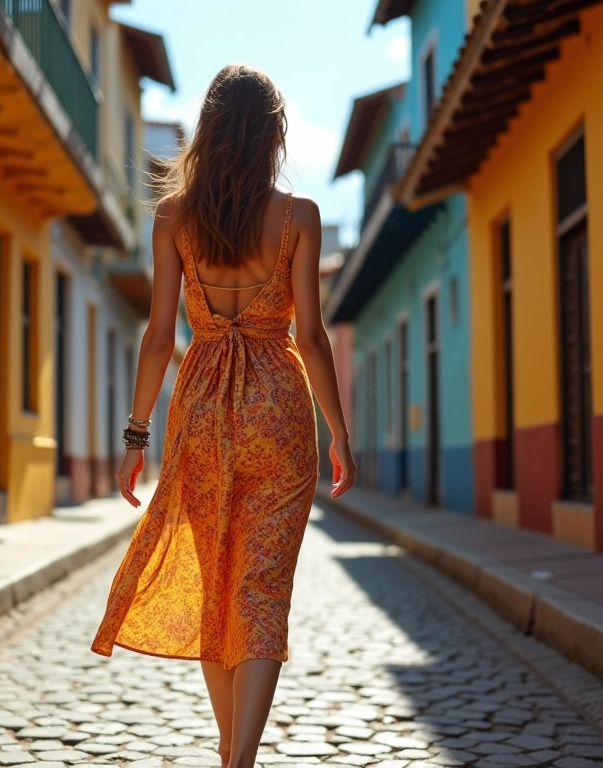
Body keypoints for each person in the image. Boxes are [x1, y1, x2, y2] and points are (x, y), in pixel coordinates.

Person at [91, 63, 357, 768]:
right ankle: (238, 758)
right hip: (280, 413)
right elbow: (311, 338)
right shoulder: (298, 217)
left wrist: (134, 438)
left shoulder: (173, 217)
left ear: (207, 131)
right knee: (262, 590)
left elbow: (157, 338)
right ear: (274, 134)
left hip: (203, 409)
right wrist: (341, 434)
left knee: (217, 590)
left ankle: (230, 753)